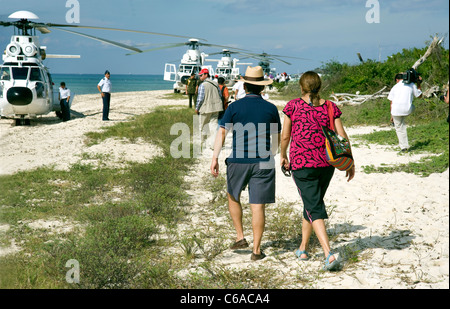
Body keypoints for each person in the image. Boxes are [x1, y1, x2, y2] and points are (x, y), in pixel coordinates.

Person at [280, 71, 355, 271]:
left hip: (302, 164)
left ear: (301, 87)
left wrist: (283, 155)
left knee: (314, 206)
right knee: (312, 202)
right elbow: (342, 136)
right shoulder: (330, 106)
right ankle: (303, 248)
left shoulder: (293, 106)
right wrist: (350, 161)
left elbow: (285, 136)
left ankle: (328, 253)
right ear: (320, 86)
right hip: (326, 165)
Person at [211, 66, 281, 261]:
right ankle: (257, 251)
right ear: (262, 88)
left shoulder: (234, 107)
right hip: (263, 161)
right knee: (257, 206)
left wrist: (215, 157)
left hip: (238, 160)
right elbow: (276, 136)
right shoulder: (270, 108)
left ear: (245, 85)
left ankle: (240, 236)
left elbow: (222, 133)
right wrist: (272, 154)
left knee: (233, 196)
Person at [388, 72, 422, 152]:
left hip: (395, 110)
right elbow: (419, 96)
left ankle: (404, 147)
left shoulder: (394, 87)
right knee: (411, 107)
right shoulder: (411, 85)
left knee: (399, 128)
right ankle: (405, 115)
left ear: (397, 80)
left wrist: (391, 116)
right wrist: (419, 84)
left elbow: (391, 102)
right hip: (408, 109)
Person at [195, 68, 223, 149]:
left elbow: (200, 99)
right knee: (213, 127)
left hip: (205, 108)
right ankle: (213, 145)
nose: (200, 77)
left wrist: (197, 108)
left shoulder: (202, 85)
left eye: (201, 75)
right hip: (216, 108)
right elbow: (220, 95)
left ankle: (202, 143)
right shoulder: (215, 84)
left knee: (203, 126)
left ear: (206, 75)